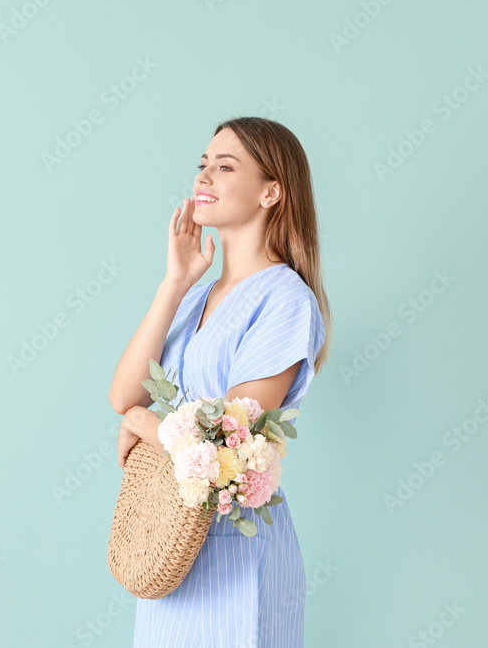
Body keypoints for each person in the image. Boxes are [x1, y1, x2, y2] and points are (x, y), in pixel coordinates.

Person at [108, 116, 333, 647]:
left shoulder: (285, 300)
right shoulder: (195, 298)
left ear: (272, 191)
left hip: (235, 550)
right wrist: (175, 280)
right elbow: (122, 393)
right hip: (172, 541)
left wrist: (144, 423)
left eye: (225, 166)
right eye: (203, 164)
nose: (204, 177)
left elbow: (226, 438)